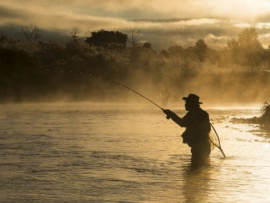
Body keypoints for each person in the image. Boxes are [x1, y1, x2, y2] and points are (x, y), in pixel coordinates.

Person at [163, 93, 211, 168]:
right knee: (202, 170)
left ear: (191, 104)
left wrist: (171, 114)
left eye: (187, 103)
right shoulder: (203, 113)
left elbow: (182, 123)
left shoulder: (193, 113)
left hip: (198, 147)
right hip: (206, 145)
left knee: (194, 171)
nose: (185, 104)